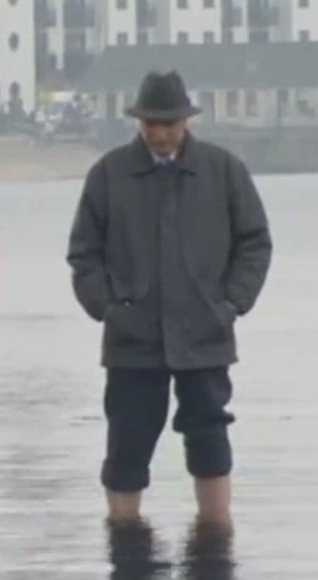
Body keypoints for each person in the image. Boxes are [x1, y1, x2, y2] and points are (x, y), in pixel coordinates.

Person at [66, 71, 273, 525]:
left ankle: (215, 544)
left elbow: (255, 243)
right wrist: (106, 308)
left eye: (169, 123)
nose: (160, 133)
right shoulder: (109, 174)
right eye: (151, 124)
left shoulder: (223, 171)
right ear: (138, 122)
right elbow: (84, 253)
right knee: (127, 444)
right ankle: (124, 550)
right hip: (131, 340)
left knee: (210, 440)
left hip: (205, 334)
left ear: (186, 121)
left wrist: (231, 302)